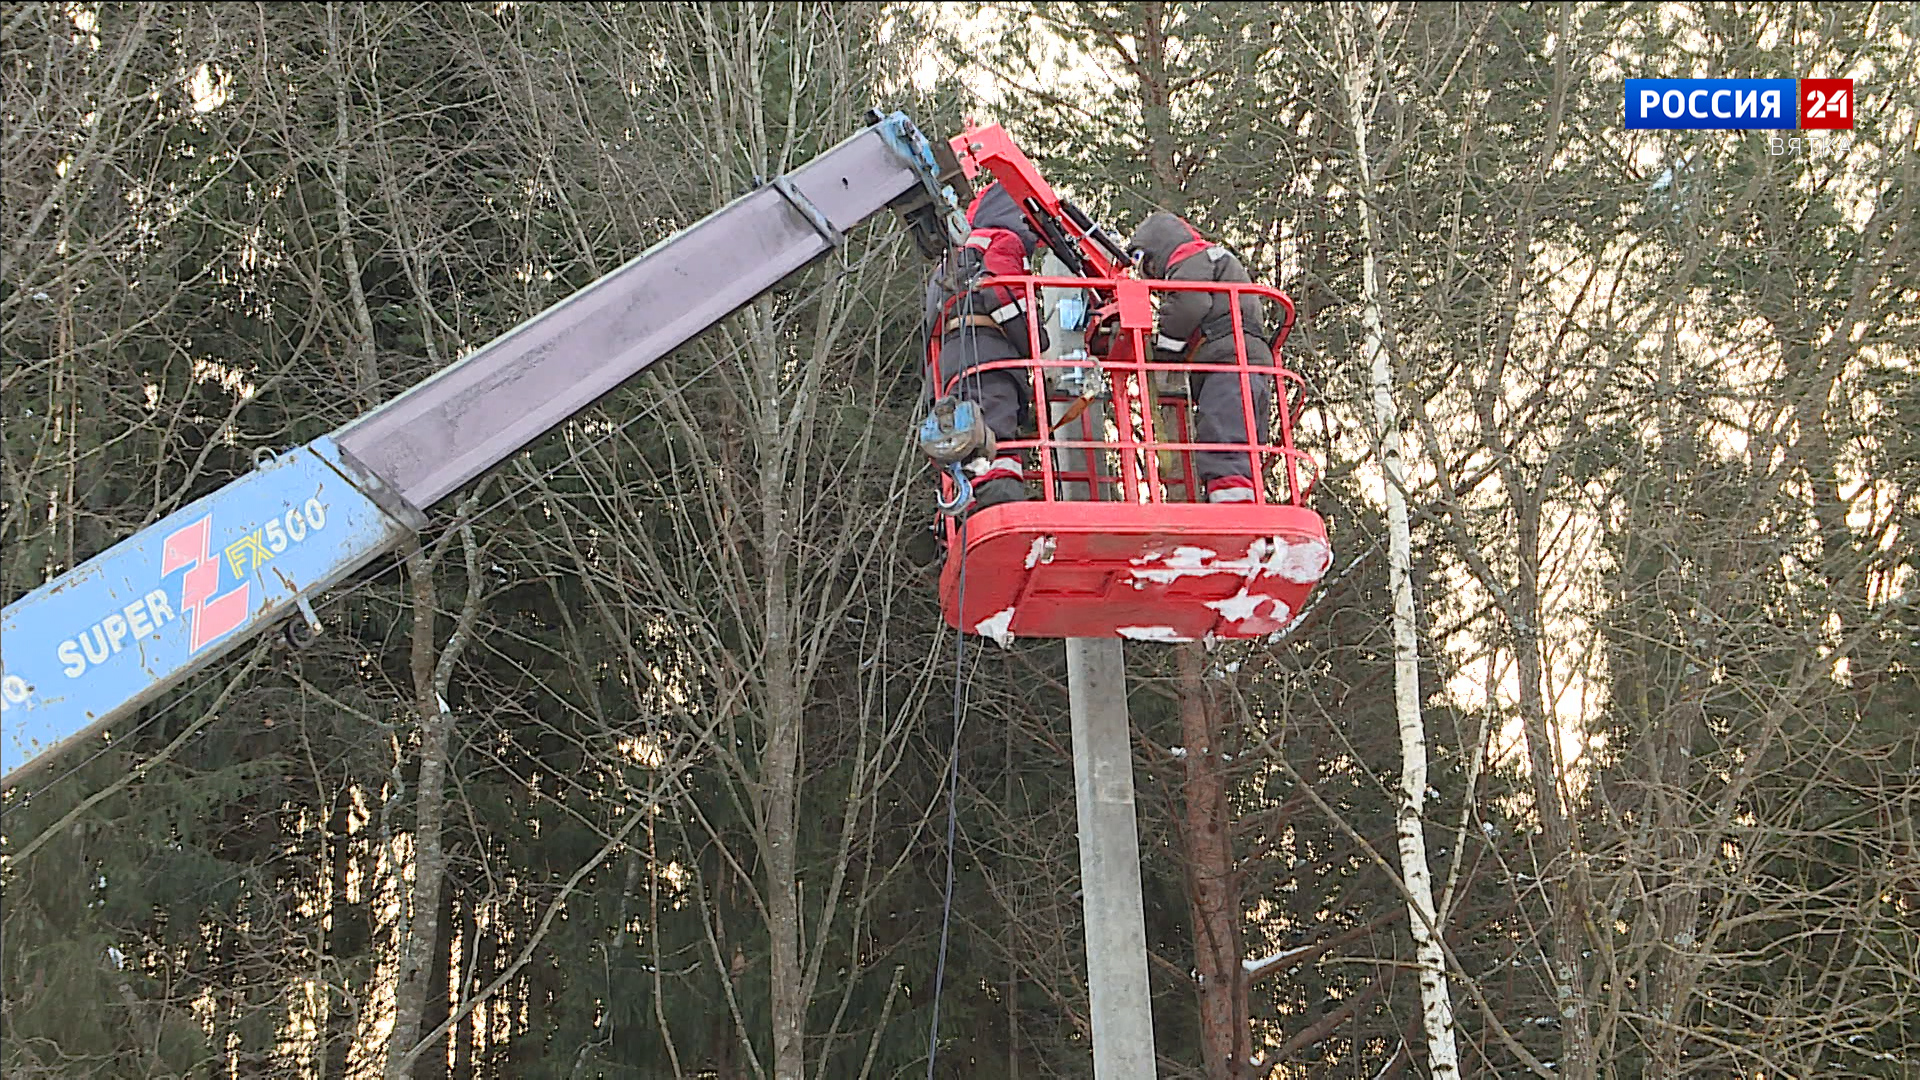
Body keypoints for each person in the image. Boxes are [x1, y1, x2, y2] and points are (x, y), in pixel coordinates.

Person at [1126, 212, 1272, 503]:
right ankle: (1238, 495)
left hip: (1229, 362)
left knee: (1222, 431)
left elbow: (1189, 304)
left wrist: (1165, 350)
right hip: (1244, 360)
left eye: (1147, 266)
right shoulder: (1211, 259)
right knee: (1242, 437)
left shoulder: (1191, 259)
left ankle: (1232, 503)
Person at [922, 181, 1048, 510]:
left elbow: (930, 324)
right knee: (997, 424)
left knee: (971, 429)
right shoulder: (1002, 240)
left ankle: (972, 497)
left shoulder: (953, 255)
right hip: (989, 351)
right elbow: (1004, 292)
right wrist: (1035, 340)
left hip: (954, 360)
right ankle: (998, 496)